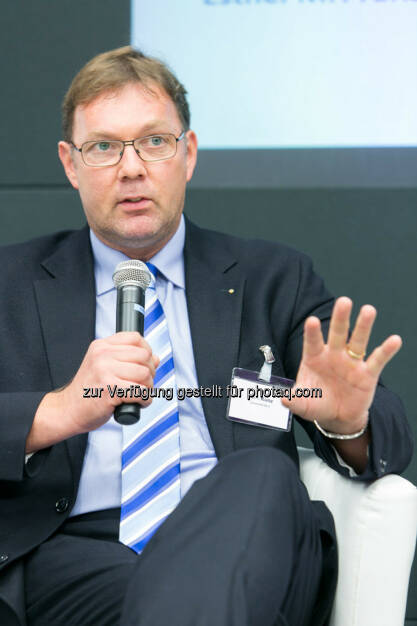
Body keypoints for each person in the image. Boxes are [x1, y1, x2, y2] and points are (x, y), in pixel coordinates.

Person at [0, 46, 412, 626]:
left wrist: (348, 422)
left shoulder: (273, 278)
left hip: (251, 542)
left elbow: (388, 439)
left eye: (155, 141)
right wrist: (60, 410)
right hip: (77, 558)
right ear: (70, 165)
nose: (133, 167)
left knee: (261, 472)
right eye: (104, 147)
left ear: (187, 153)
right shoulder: (10, 284)